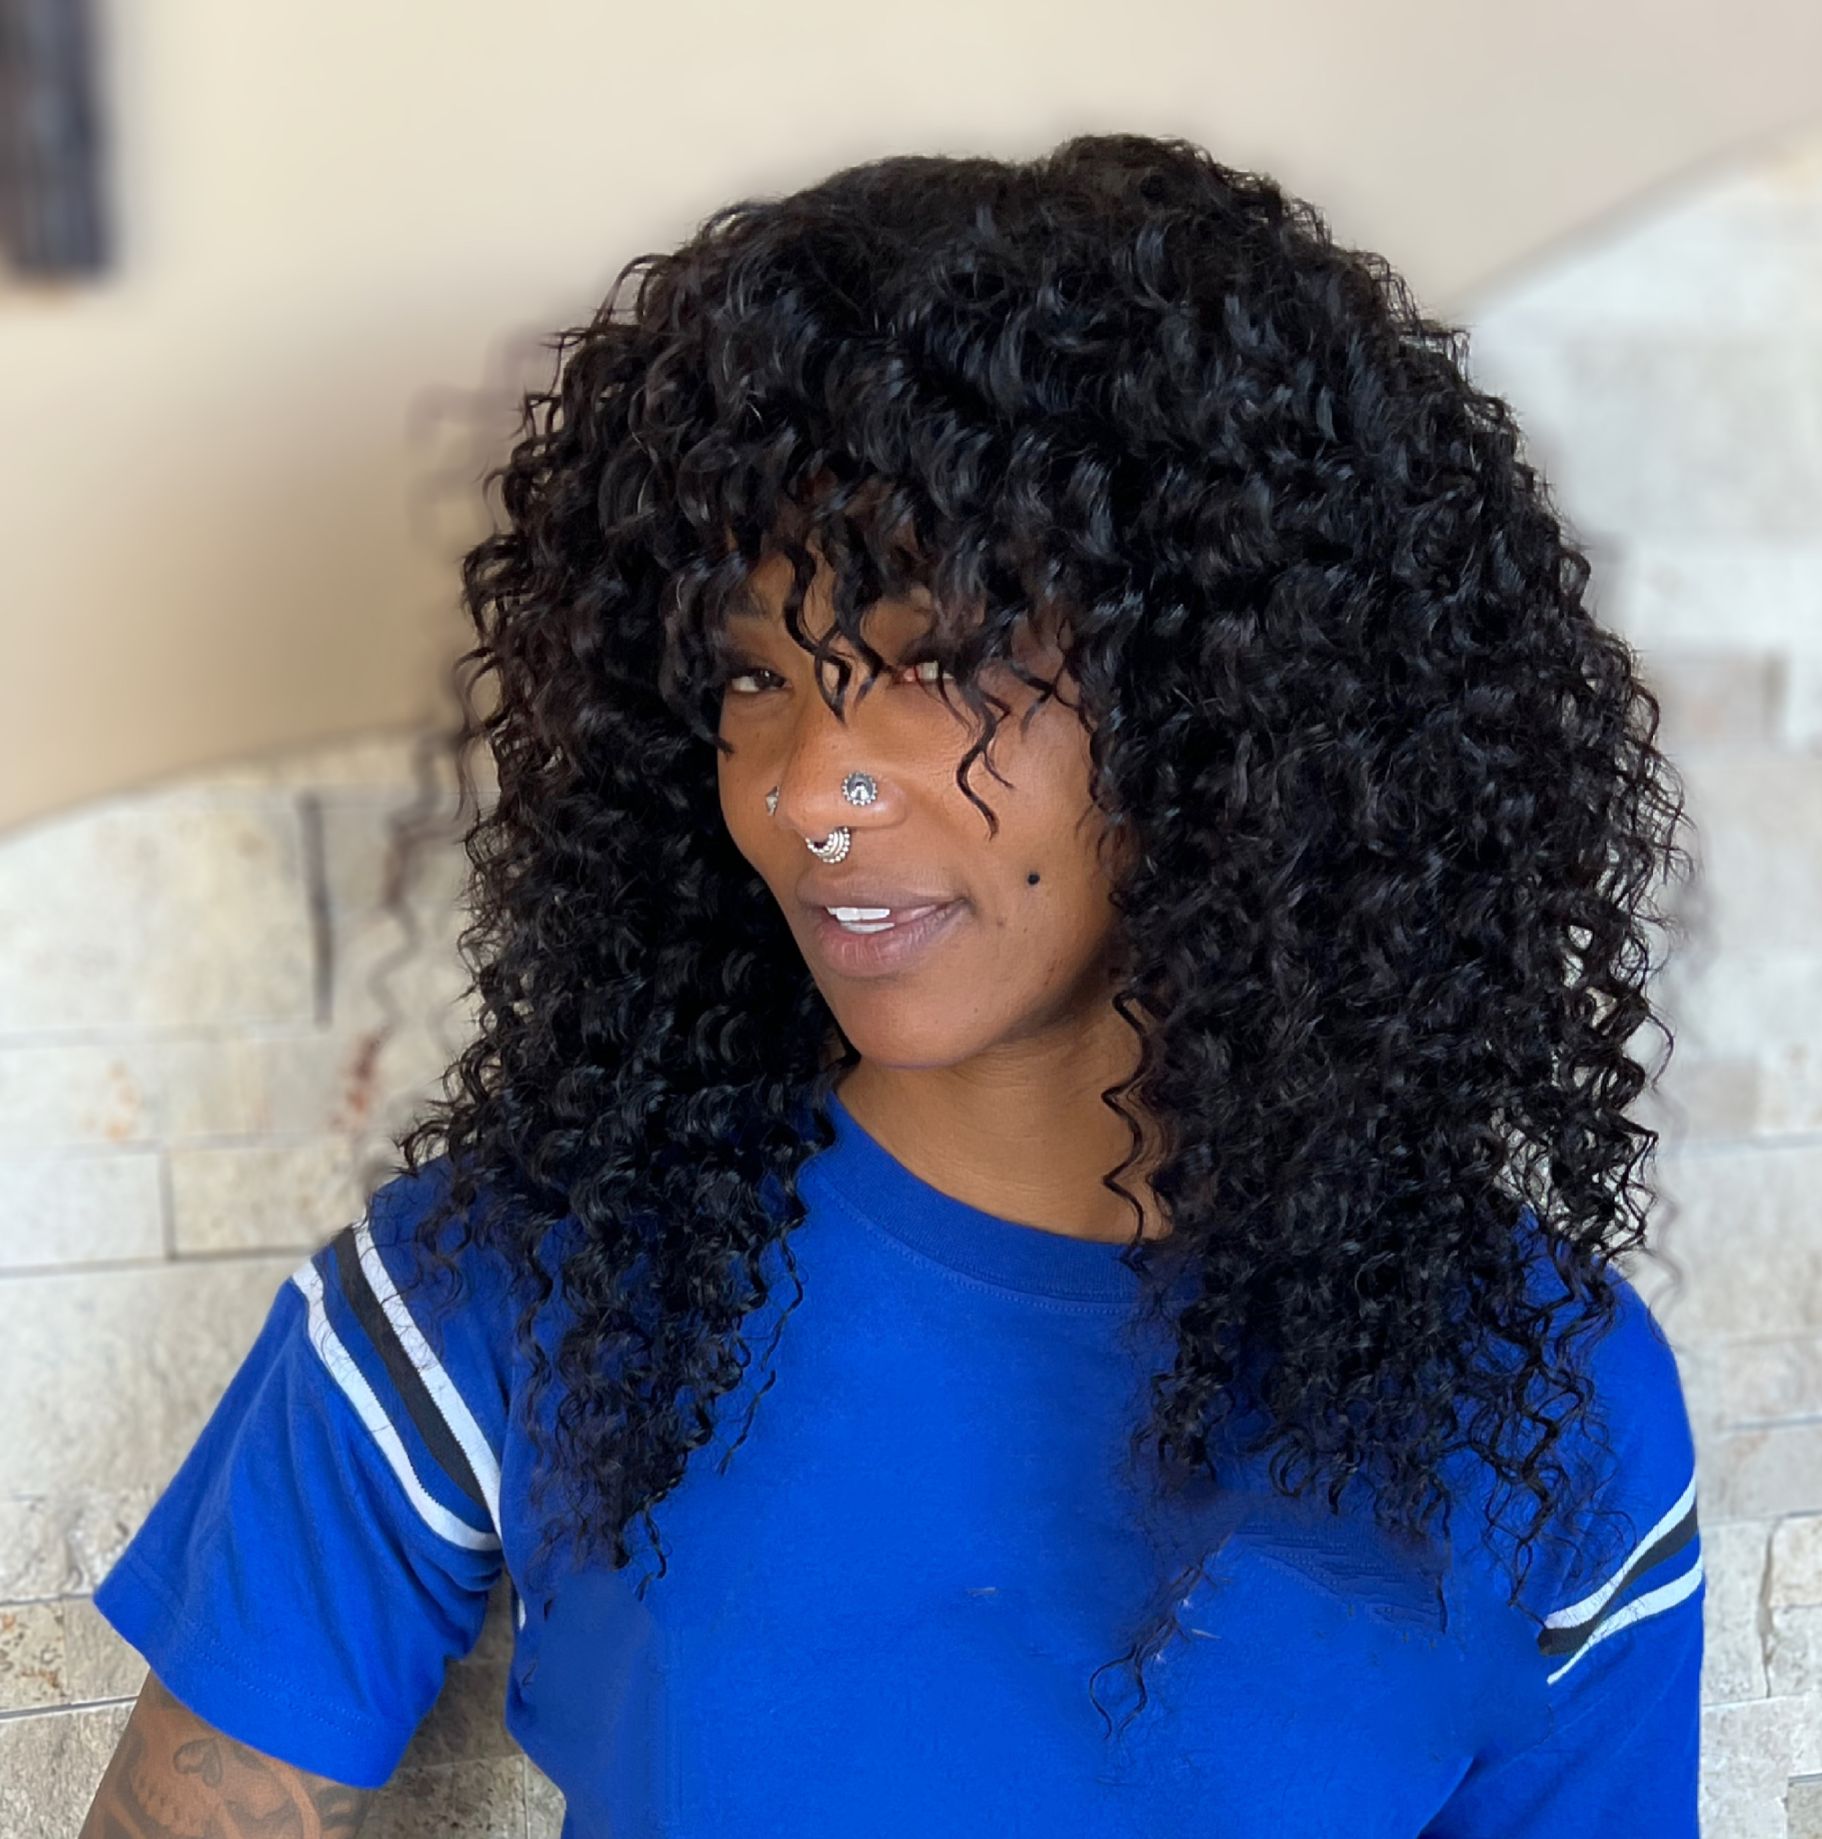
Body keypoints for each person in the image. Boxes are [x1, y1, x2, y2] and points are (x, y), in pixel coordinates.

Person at [81, 131, 1705, 1838]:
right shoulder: (526, 1287)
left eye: (941, 666)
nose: (807, 788)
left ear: (1241, 711)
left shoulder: (1534, 1402)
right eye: (755, 678)